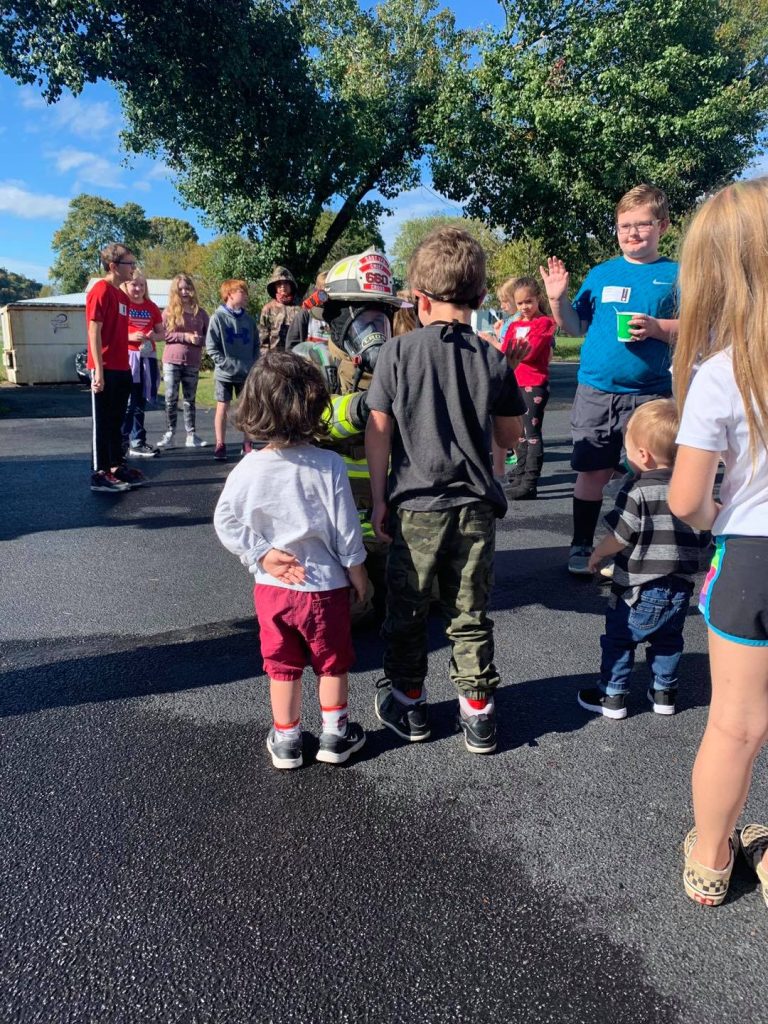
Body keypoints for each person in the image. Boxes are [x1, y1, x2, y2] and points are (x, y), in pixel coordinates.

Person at [365, 227, 527, 755]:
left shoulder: (395, 354)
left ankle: (409, 703)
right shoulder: (493, 359)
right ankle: (478, 712)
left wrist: (379, 498)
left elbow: (379, 431)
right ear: (481, 299)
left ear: (420, 298)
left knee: (407, 610)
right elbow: (509, 435)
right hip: (475, 507)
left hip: (415, 506)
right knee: (468, 611)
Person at [668, 178, 768, 909]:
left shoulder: (720, 374)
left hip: (753, 560)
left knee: (735, 724)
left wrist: (714, 519)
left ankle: (709, 859)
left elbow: (686, 499)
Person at [213, 351, 369, 770]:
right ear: (314, 404)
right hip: (325, 588)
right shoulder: (329, 464)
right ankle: (335, 735)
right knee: (332, 662)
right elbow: (346, 529)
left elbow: (224, 519)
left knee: (282, 666)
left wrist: (260, 553)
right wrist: (358, 573)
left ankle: (286, 739)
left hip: (273, 591)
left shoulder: (248, 468)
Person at [540, 184, 679, 575]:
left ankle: (633, 548)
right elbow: (574, 325)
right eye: (624, 226)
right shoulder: (601, 274)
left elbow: (700, 326)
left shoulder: (676, 275)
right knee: (592, 471)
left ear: (663, 226)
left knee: (650, 474)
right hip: (597, 391)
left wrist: (657, 327)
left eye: (642, 225)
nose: (632, 233)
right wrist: (556, 299)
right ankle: (582, 545)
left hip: (651, 395)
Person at [579, 400, 709, 720]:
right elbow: (704, 537)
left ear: (643, 455)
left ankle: (613, 696)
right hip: (679, 586)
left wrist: (597, 553)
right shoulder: (694, 488)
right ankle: (664, 692)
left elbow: (622, 535)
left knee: (620, 639)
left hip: (637, 587)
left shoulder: (637, 490)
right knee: (667, 640)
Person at [86, 242, 140, 493]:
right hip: (104, 367)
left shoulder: (121, 295)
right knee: (103, 422)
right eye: (129, 263)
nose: (133, 268)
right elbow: (93, 330)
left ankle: (116, 466)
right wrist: (98, 369)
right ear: (113, 266)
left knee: (117, 420)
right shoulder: (101, 290)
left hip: (122, 367)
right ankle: (100, 473)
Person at [501, 276, 557, 500]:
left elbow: (531, 352)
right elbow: (506, 352)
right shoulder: (515, 325)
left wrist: (515, 351)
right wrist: (513, 351)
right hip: (516, 382)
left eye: (529, 302)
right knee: (520, 434)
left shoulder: (544, 323)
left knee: (532, 433)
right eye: (520, 303)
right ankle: (521, 473)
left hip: (534, 384)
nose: (524, 307)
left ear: (538, 299)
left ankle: (530, 483)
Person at [205, 278, 259, 461]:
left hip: (246, 373)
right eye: (241, 292)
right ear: (229, 294)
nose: (245, 296)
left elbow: (255, 346)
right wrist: (227, 364)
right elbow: (211, 347)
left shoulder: (249, 321)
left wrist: (252, 365)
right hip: (225, 374)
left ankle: (247, 444)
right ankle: (220, 444)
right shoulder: (217, 318)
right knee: (223, 407)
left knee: (248, 409)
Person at [157, 274, 210, 450]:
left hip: (192, 361)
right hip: (171, 361)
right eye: (180, 289)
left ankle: (191, 435)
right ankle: (170, 434)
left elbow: (209, 338)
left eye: (187, 288)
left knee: (190, 400)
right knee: (171, 398)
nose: (184, 292)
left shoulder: (201, 313)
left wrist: (198, 339)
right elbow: (162, 334)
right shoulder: (168, 312)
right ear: (175, 291)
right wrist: (184, 336)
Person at [121, 272, 164, 459]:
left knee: (139, 402)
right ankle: (121, 441)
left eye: (142, 285)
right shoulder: (122, 305)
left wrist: (153, 336)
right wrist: (129, 337)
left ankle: (137, 441)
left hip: (147, 357)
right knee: (127, 403)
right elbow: (112, 332)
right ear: (126, 286)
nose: (138, 289)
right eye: (134, 285)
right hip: (127, 358)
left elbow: (162, 333)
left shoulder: (152, 307)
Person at [259, 266, 300, 351]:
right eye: (279, 284)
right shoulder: (268, 309)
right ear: (274, 287)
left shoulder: (300, 309)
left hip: (295, 357)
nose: (282, 286)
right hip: (274, 358)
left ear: (291, 285)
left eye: (286, 283)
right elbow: (263, 339)